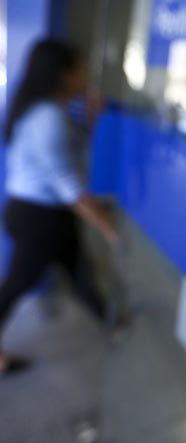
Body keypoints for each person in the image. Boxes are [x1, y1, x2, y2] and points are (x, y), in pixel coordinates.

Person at [0, 39, 120, 376]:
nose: (86, 74)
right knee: (18, 284)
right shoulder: (48, 117)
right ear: (64, 74)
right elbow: (68, 185)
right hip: (39, 217)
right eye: (81, 67)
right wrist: (107, 226)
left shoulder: (51, 112)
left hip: (42, 213)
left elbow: (72, 150)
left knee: (79, 269)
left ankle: (110, 321)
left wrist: (92, 118)